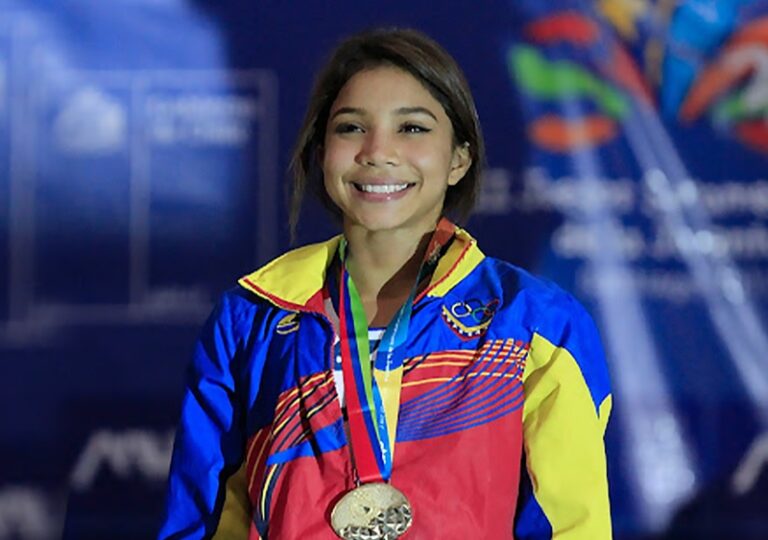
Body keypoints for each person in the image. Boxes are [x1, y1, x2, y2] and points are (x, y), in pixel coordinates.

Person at [158, 27, 612, 540]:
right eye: (351, 127)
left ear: (458, 159)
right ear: (321, 151)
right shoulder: (251, 319)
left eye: (412, 128)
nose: (377, 151)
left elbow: (573, 527)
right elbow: (203, 521)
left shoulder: (536, 325)